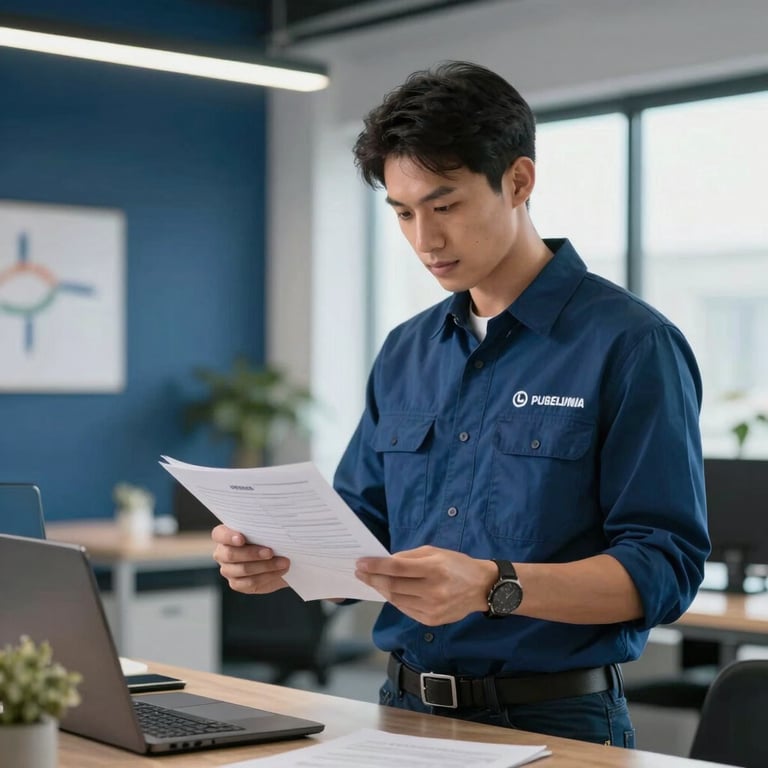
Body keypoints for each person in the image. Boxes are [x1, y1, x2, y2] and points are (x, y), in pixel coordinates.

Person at [212, 61, 710, 747]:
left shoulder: (631, 344)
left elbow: (666, 569)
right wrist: (279, 557)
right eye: (403, 212)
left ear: (518, 181)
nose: (425, 239)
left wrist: (492, 586)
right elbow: (362, 528)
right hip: (398, 708)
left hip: (553, 723)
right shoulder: (406, 351)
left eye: (444, 206)